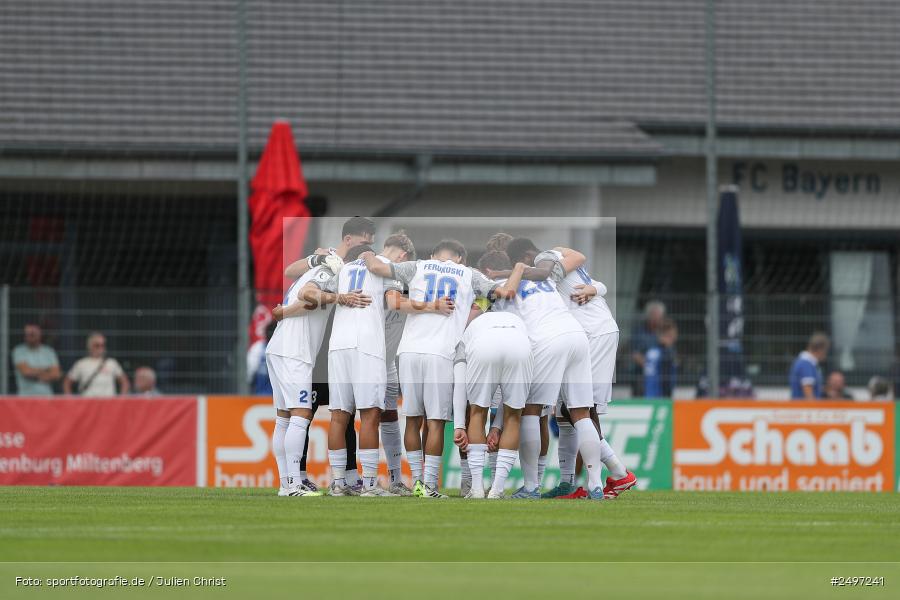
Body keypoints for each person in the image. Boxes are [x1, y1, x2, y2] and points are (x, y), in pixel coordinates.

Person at [362, 239, 502, 498]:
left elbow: (378, 268)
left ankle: (416, 481)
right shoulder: (469, 274)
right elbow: (498, 292)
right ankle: (429, 486)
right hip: (442, 352)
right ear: (460, 257)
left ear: (433, 254)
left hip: (408, 351)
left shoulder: (416, 266)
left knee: (413, 418)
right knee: (436, 421)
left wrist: (368, 253)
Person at [498, 238, 611, 500]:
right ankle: (595, 484)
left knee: (531, 410)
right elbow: (579, 261)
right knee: (581, 413)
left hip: (548, 341)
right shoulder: (548, 279)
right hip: (577, 337)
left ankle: (530, 486)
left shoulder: (507, 289)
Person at [527, 245, 636, 500]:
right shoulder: (557, 266)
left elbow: (578, 256)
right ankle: (568, 483)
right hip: (584, 337)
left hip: (596, 334)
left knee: (583, 409)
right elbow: (596, 281)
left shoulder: (545, 262)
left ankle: (619, 474)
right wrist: (594, 289)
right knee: (567, 413)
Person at [278, 216, 377, 493]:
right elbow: (290, 271)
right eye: (364, 241)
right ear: (348, 240)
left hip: (338, 346)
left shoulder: (362, 266)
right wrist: (314, 260)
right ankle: (298, 476)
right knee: (304, 413)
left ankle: (347, 476)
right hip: (315, 349)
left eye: (371, 242)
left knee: (343, 410)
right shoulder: (331, 260)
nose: (368, 246)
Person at [315, 243, 404, 497]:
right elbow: (394, 301)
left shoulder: (341, 273)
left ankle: (338, 482)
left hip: (338, 347)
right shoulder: (379, 269)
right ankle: (369, 485)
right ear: (371, 255)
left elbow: (311, 294)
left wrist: (339, 297)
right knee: (370, 414)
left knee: (338, 415)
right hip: (368, 346)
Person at [452, 253, 529, 498]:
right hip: (520, 338)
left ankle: (475, 488)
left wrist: (459, 426)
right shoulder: (521, 301)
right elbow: (507, 406)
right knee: (515, 416)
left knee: (477, 411)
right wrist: (497, 427)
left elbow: (460, 388)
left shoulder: (473, 315)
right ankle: (496, 490)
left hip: (482, 340)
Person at [63, 332, 129, 397]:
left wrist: (121, 399)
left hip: (108, 403)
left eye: (103, 345)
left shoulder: (112, 363)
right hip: (87, 404)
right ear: (89, 346)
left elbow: (124, 382)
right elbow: (67, 383)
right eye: (97, 345)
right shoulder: (81, 364)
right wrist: (70, 401)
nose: (101, 348)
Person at [12, 324, 61, 396]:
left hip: (46, 397)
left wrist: (33, 373)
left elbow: (56, 374)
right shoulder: (19, 351)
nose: (30, 337)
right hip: (25, 397)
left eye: (33, 334)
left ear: (40, 334)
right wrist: (46, 370)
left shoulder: (49, 351)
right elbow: (26, 372)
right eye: (28, 334)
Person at [631, 300, 666, 395]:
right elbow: (635, 354)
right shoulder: (639, 332)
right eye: (654, 315)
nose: (657, 318)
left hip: (662, 377)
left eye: (659, 316)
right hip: (643, 377)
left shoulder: (665, 331)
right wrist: (648, 366)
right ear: (649, 316)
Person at [789, 332, 830, 400]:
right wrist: (814, 408)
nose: (826, 355)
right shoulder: (806, 364)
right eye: (826, 351)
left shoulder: (806, 363)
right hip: (804, 409)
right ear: (820, 349)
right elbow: (807, 390)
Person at [644, 319, 678, 398]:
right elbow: (666, 379)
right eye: (672, 335)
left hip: (648, 394)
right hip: (660, 396)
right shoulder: (666, 354)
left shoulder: (651, 351)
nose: (675, 338)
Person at [246, 320, 276, 395]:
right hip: (260, 396)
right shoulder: (258, 347)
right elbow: (250, 373)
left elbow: (250, 374)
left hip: (280, 398)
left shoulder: (285, 349)